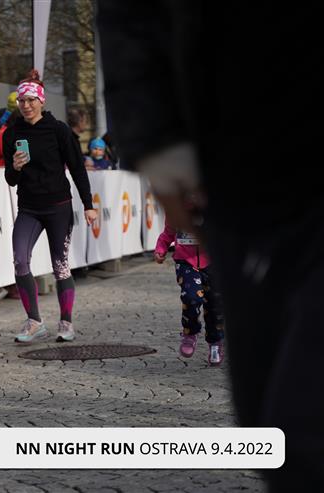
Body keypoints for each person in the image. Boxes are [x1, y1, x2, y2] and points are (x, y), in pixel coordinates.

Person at [97, 2, 322, 490]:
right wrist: (154, 139)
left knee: (302, 425)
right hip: (240, 158)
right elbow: (129, 13)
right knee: (268, 427)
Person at [4, 69, 98, 343]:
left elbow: (77, 168)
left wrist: (89, 204)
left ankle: (66, 323)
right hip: (29, 208)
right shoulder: (12, 133)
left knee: (60, 265)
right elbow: (10, 179)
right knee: (20, 260)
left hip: (58, 206)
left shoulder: (58, 130)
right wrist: (15, 167)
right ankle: (34, 322)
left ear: (41, 101)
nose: (26, 105)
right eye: (22, 101)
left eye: (31, 100)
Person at [154, 219, 224, 365]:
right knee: (191, 298)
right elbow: (169, 231)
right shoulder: (178, 206)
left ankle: (215, 342)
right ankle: (190, 333)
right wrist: (161, 248)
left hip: (214, 260)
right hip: (185, 261)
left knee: (215, 304)